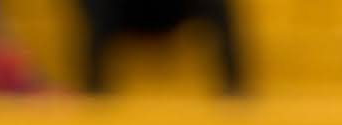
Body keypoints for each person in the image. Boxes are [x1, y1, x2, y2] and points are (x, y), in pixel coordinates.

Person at [77, 0, 237, 95]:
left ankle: (234, 89)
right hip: (122, 10)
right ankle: (95, 92)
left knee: (216, 6)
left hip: (173, 9)